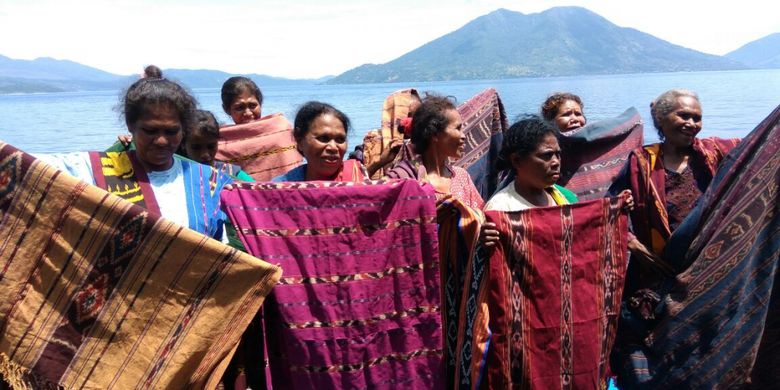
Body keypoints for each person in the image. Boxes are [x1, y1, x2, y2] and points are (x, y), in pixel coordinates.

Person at [36, 78, 233, 240]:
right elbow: (27, 168)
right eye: (150, 131)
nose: (162, 141)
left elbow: (219, 248)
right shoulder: (95, 169)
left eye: (172, 131)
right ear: (130, 125)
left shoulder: (208, 181)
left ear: (184, 129)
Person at [610, 89, 740, 290]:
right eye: (684, 115)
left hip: (707, 261)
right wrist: (633, 245)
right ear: (661, 118)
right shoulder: (641, 161)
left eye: (697, 118)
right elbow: (608, 206)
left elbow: (757, 150)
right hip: (656, 266)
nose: (691, 124)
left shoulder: (713, 153)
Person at [386, 94, 484, 209]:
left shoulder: (461, 176)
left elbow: (480, 215)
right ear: (435, 134)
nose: (463, 136)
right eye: (457, 128)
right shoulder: (405, 178)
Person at [485, 116, 579, 211]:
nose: (556, 162)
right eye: (547, 155)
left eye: (558, 154)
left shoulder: (565, 197)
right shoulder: (501, 209)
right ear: (517, 160)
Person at [272, 101, 366, 182]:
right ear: (299, 140)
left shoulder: (359, 178)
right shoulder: (279, 191)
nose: (333, 147)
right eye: (323, 138)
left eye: (340, 140)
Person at [182, 109, 253, 181]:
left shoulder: (233, 174)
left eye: (211, 146)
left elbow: (259, 190)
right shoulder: (177, 175)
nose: (205, 154)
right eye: (196, 148)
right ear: (183, 144)